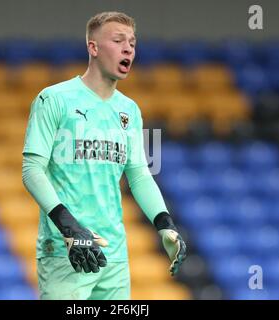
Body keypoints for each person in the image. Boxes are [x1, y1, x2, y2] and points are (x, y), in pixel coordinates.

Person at [22, 11, 186, 300]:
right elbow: (32, 170)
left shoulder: (130, 110)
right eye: (118, 40)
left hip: (114, 255)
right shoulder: (54, 99)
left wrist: (164, 224)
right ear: (93, 48)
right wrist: (69, 227)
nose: (128, 49)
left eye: (132, 43)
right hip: (66, 252)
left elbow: (139, 174)